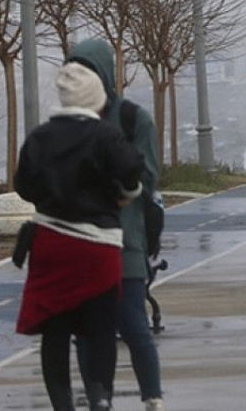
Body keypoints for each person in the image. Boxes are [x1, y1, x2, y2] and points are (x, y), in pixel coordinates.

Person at [15, 62, 145, 411]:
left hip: (51, 243)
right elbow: (132, 168)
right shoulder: (105, 134)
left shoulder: (40, 136)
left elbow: (23, 185)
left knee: (54, 329)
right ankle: (101, 397)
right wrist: (126, 192)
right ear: (96, 99)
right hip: (97, 246)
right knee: (101, 326)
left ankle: (62, 402)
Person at [69, 38, 167, 411]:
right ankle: (98, 400)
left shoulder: (132, 119)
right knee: (85, 334)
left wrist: (112, 183)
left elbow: (150, 176)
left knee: (133, 325)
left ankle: (152, 397)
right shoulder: (69, 122)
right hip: (80, 245)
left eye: (88, 71)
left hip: (124, 241)